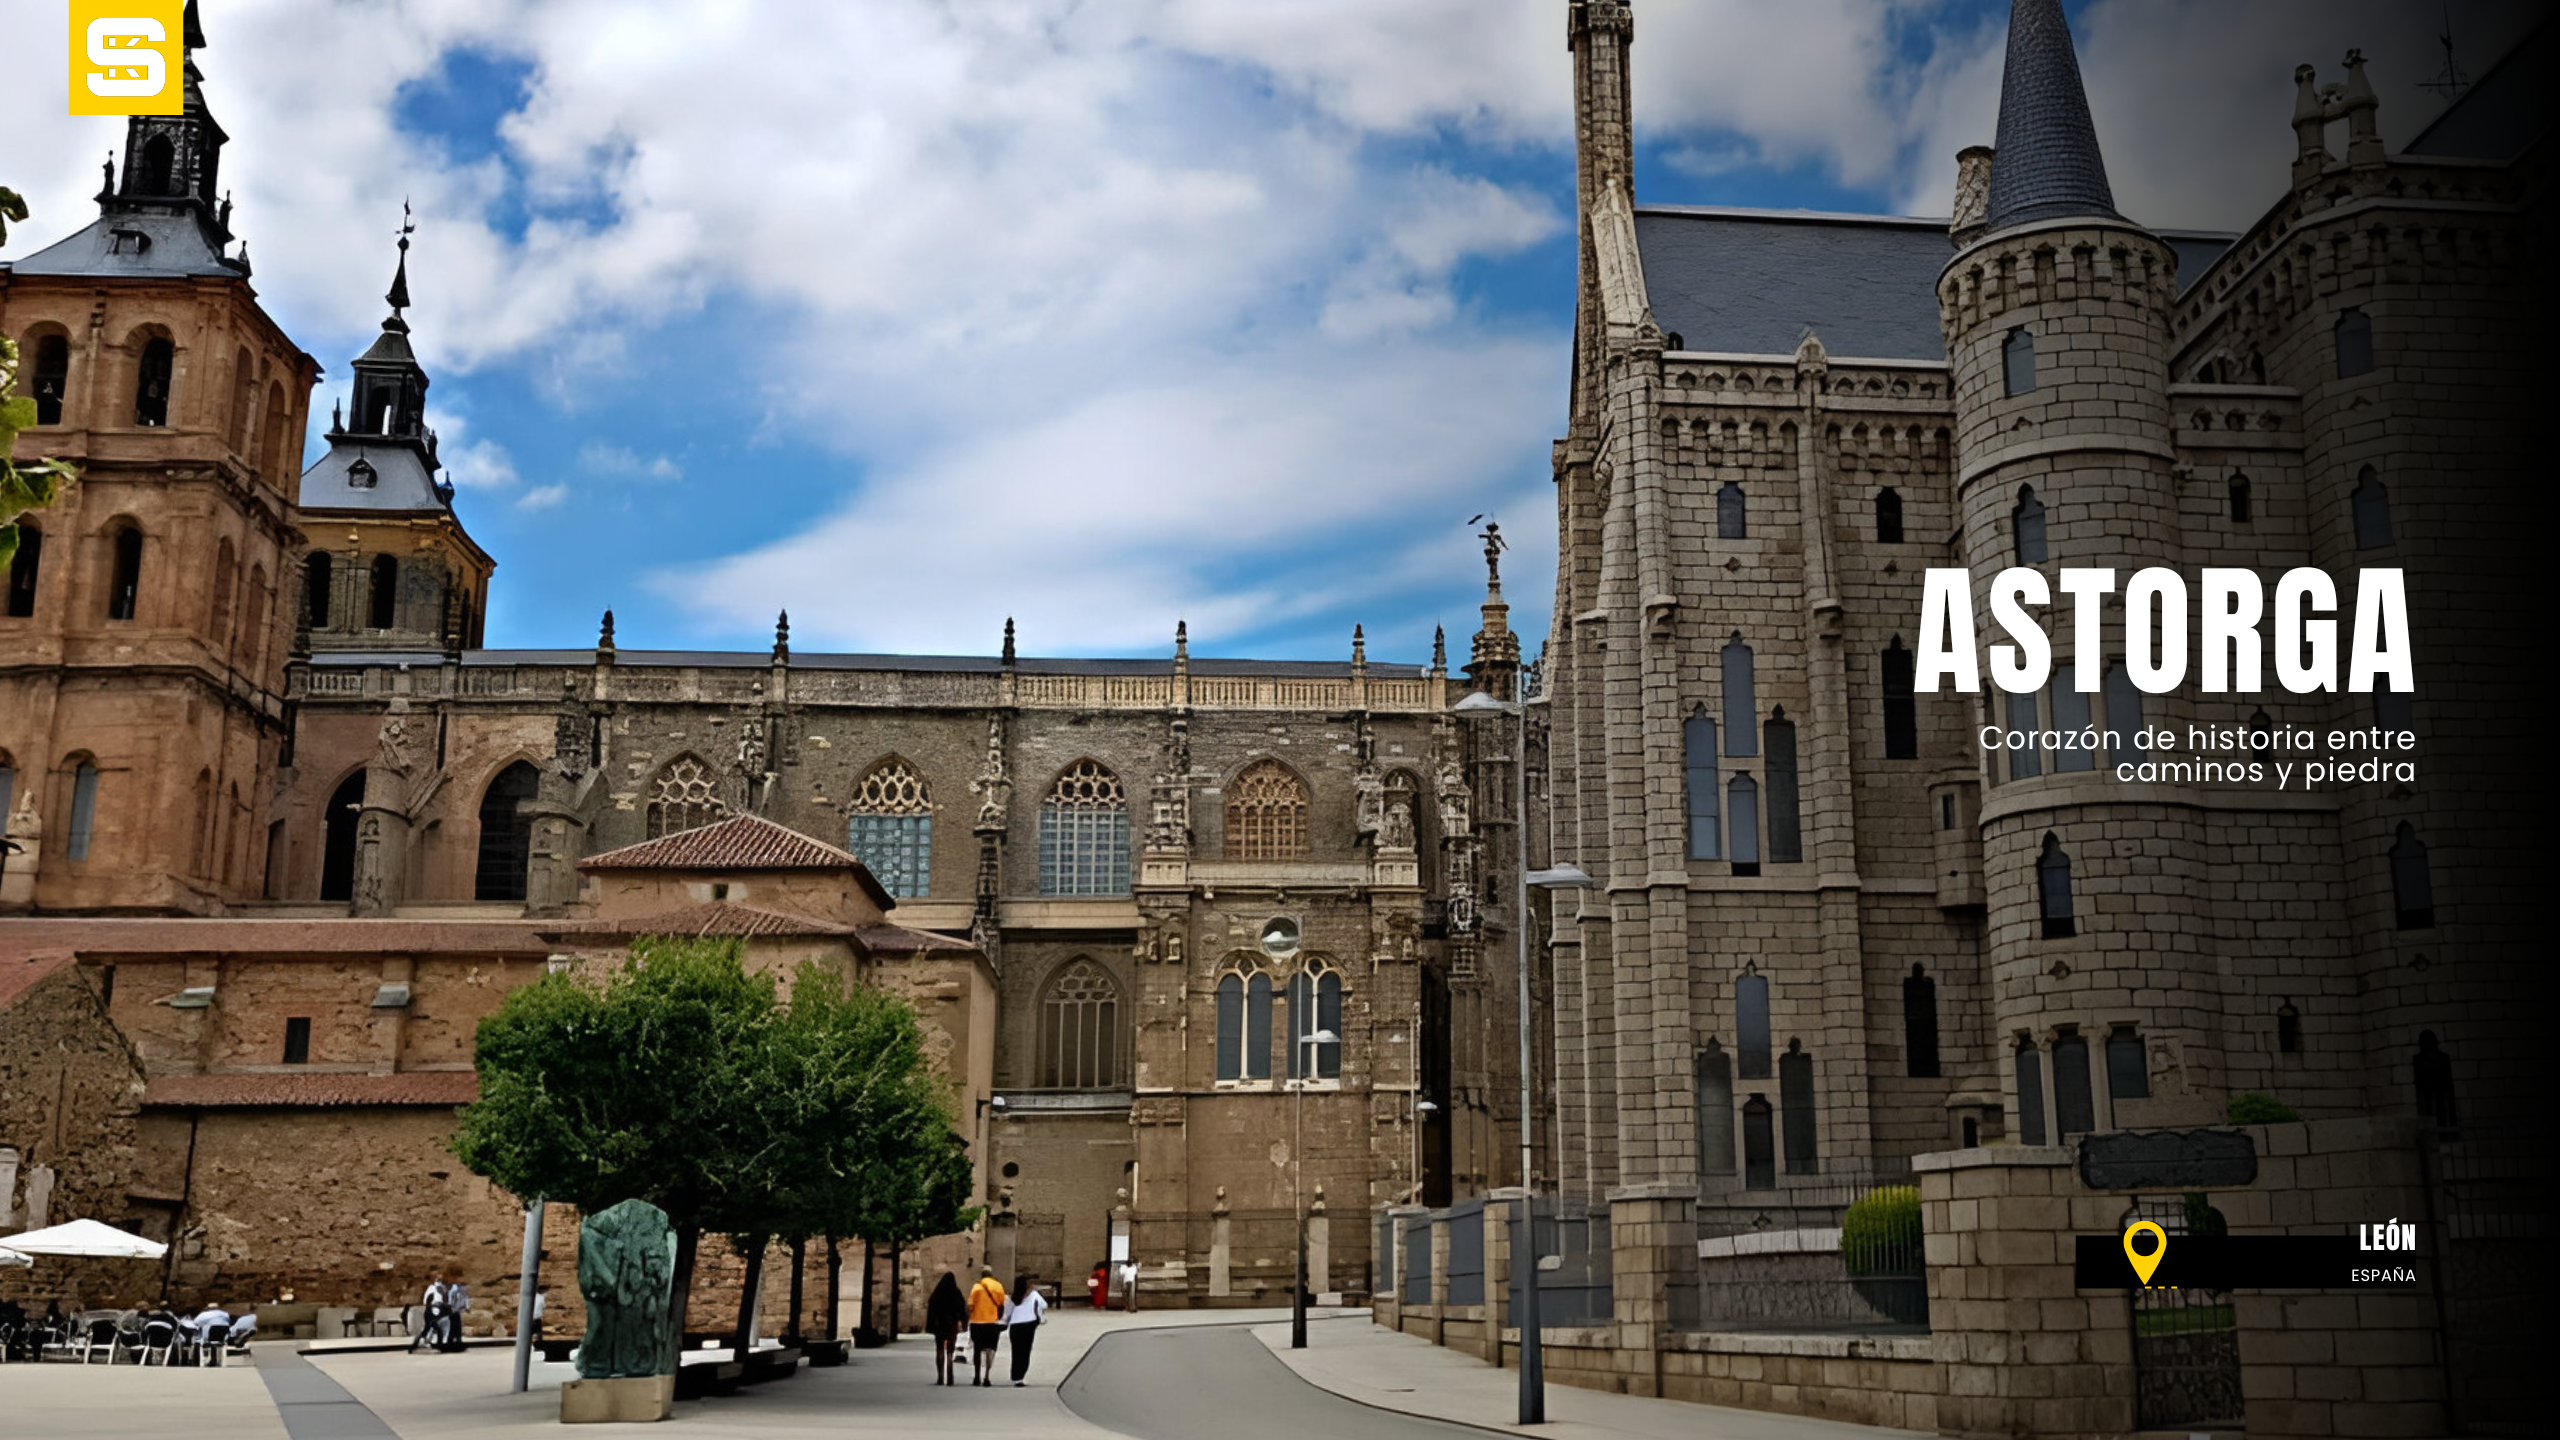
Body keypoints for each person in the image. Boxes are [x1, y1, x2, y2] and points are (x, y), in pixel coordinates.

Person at [964, 1266, 1007, 1388]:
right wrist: (998, 1317)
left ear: (982, 1275)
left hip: (977, 1323)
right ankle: (987, 1376)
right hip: (992, 1323)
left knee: (977, 1350)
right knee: (990, 1349)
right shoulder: (998, 1286)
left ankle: (977, 1376)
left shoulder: (976, 1287)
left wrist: (968, 1319)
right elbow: (1002, 1304)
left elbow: (970, 1306)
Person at [1004, 1276, 1048, 1387]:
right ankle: (1020, 1377)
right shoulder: (1033, 1294)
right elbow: (1044, 1305)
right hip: (1029, 1324)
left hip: (1015, 1326)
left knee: (1016, 1351)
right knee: (1025, 1351)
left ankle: (1015, 1375)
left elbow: (1007, 1312)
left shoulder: (1014, 1297)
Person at [924, 1272, 966, 1386]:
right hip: (952, 1325)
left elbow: (931, 1309)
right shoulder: (956, 1293)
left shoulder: (937, 1293)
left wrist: (931, 1325)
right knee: (950, 1351)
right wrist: (962, 1322)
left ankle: (940, 1377)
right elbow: (962, 1308)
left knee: (939, 1349)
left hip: (939, 1325)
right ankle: (950, 1376)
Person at [439, 1268, 471, 1352]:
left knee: (456, 1327)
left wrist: (466, 1307)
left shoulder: (458, 1288)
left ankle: (457, 1342)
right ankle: (450, 1343)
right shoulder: (447, 1288)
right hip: (449, 1311)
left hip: (454, 1311)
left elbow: (464, 1298)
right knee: (450, 1327)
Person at [414, 1277, 448, 1353]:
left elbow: (441, 1300)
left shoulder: (438, 1289)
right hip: (433, 1312)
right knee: (435, 1329)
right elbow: (429, 1299)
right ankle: (430, 1343)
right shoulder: (434, 1289)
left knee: (429, 1328)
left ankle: (423, 1341)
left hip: (434, 1311)